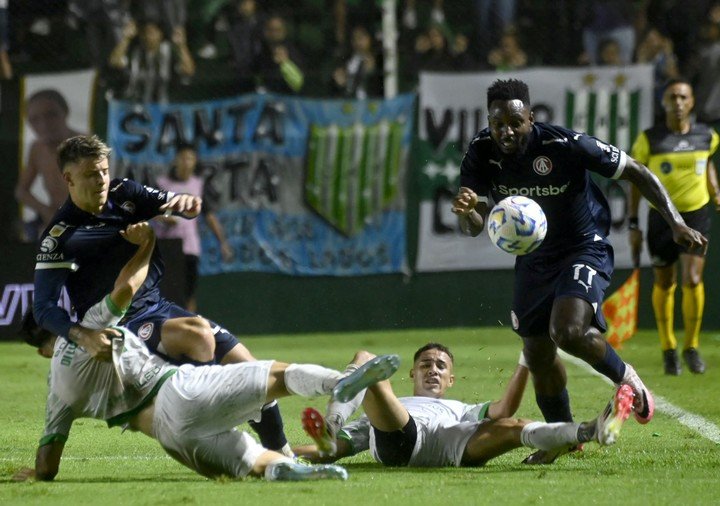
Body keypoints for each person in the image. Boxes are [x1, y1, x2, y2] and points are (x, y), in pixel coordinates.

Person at [450, 79, 707, 461]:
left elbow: (636, 170)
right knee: (537, 352)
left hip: (582, 247)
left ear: (531, 119)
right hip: (534, 258)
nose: (505, 131)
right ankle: (563, 438)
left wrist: (675, 222)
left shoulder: (563, 144)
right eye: (497, 123)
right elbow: (471, 227)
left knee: (567, 331)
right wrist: (469, 210)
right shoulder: (480, 151)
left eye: (514, 122)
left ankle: (629, 380)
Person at [32, 134, 290, 456]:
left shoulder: (123, 192)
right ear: (68, 178)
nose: (101, 180)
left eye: (104, 170)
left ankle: (284, 455)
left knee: (252, 369)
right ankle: (214, 427)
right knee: (199, 338)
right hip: (123, 326)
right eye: (90, 174)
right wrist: (82, 336)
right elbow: (42, 307)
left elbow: (171, 202)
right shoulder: (60, 236)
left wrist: (184, 203)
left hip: (159, 307)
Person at [14, 307, 400, 482]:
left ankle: (292, 470)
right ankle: (338, 385)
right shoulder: (93, 323)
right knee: (279, 376)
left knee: (255, 462)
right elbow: (126, 287)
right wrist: (145, 242)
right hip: (178, 392)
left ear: (41, 350)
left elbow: (48, 465)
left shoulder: (57, 391)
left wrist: (36, 473)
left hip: (171, 439)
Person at [295, 343, 633, 467]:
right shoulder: (389, 406)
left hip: (450, 444)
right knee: (367, 363)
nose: (433, 369)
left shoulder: (461, 406)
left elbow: (502, 410)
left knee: (513, 427)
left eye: (441, 366)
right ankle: (333, 422)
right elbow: (338, 451)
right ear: (412, 372)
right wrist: (278, 453)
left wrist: (525, 359)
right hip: (401, 441)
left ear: (451, 380)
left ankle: (593, 430)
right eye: (426, 364)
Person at [629, 78, 720, 375]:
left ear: (692, 102)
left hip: (696, 214)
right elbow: (636, 180)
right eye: (672, 97)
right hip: (662, 218)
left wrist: (715, 190)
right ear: (663, 102)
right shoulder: (649, 139)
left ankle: (691, 347)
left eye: (683, 97)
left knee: (692, 279)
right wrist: (633, 222)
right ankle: (668, 348)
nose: (678, 103)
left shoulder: (707, 135)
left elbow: (705, 163)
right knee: (665, 282)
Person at [153, 142, 233, 313]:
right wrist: (166, 218)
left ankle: (190, 327)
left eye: (190, 158)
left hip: (190, 247)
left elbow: (209, 215)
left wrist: (223, 243)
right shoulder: (162, 184)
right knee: (166, 292)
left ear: (195, 161)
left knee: (188, 293)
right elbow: (151, 210)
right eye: (182, 157)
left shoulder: (198, 185)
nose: (186, 162)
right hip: (167, 246)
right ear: (176, 160)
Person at [14, 89, 83, 241]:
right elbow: (21, 191)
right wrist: (46, 211)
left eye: (51, 115)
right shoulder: (37, 149)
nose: (44, 124)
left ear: (65, 113)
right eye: (35, 119)